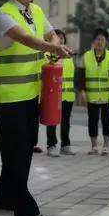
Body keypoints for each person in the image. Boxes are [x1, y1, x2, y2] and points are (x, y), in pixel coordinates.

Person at [0, 0, 72, 216]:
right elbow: (25, 39)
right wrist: (53, 47)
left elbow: (52, 33)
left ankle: (4, 196)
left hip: (31, 94)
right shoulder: (5, 14)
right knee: (17, 150)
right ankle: (25, 208)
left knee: (22, 149)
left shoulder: (35, 11)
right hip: (9, 95)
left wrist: (55, 43)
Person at [78, 28, 109, 155]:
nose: (100, 42)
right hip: (91, 95)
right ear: (93, 42)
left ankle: (106, 146)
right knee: (92, 120)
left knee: (107, 120)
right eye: (97, 39)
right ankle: (94, 146)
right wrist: (82, 91)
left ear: (106, 42)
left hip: (107, 96)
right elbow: (81, 76)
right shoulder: (86, 56)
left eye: (102, 39)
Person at [46, 29, 77, 157]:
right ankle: (51, 145)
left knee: (66, 122)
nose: (61, 40)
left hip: (67, 96)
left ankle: (65, 145)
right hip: (54, 96)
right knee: (52, 121)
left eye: (62, 38)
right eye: (58, 38)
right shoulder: (49, 55)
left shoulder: (69, 57)